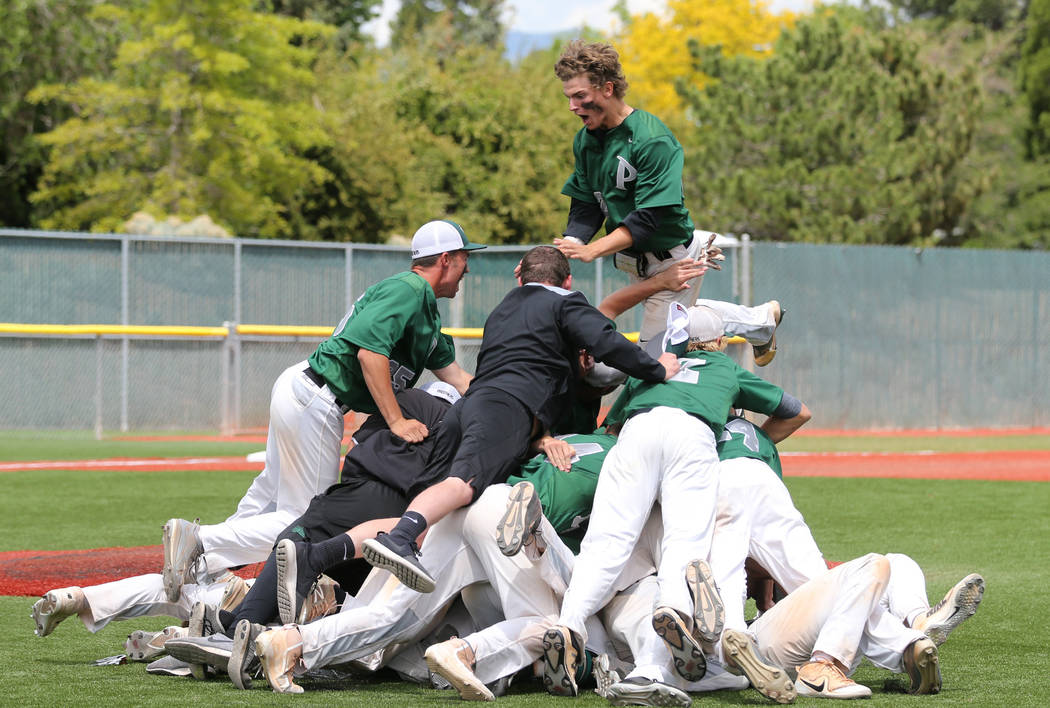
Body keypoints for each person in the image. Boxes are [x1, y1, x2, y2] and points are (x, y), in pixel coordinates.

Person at [159, 220, 481, 603]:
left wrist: (508, 405)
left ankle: (205, 563)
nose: (468, 268)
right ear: (445, 259)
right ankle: (200, 540)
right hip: (317, 397)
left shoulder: (425, 314)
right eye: (464, 258)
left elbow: (460, 379)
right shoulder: (409, 290)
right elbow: (369, 354)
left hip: (306, 390)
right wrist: (396, 420)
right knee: (309, 522)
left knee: (268, 495)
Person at [359, 246, 680, 594]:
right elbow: (606, 341)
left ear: (519, 276)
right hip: (504, 408)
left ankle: (341, 558)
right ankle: (402, 537)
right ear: (567, 280)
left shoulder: (504, 308)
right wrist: (658, 368)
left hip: (470, 405)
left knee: (437, 498)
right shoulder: (565, 302)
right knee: (461, 485)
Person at [542, 303, 810, 697]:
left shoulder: (656, 365)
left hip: (637, 433)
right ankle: (673, 608)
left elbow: (612, 429)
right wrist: (763, 438)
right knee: (685, 539)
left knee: (607, 541)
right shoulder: (726, 368)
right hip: (692, 436)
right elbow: (798, 412)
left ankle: (569, 623)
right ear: (718, 342)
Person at [551, 39, 782, 363]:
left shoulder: (651, 138)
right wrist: (571, 242)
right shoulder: (586, 139)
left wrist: (592, 250)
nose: (573, 106)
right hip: (638, 261)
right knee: (675, 322)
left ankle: (754, 329)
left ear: (607, 88)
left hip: (670, 257)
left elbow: (649, 218)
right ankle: (759, 321)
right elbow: (587, 202)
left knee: (655, 361)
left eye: (580, 96)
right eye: (569, 97)